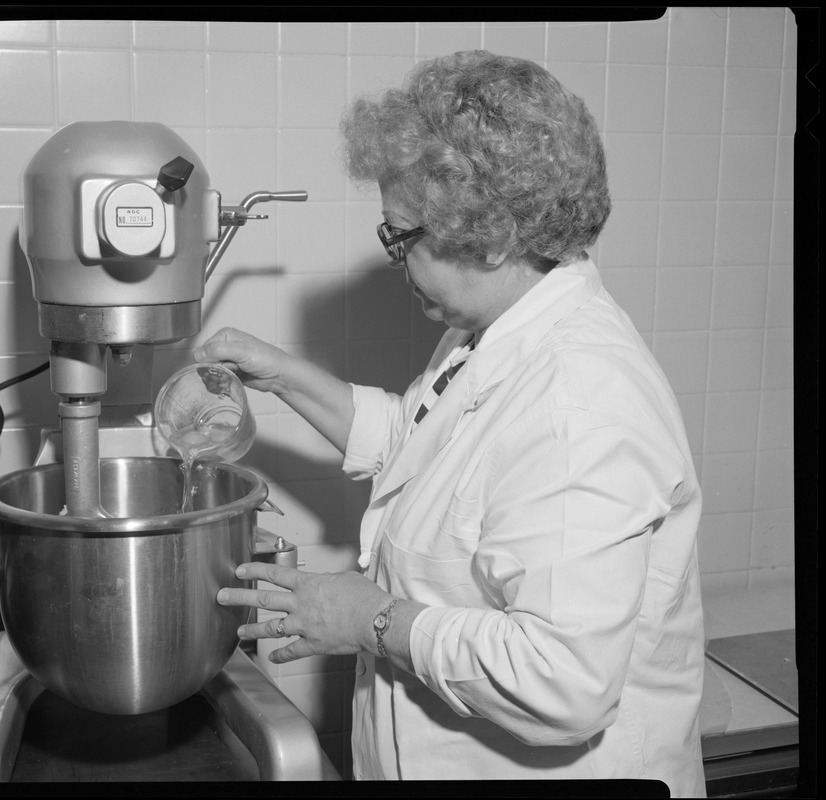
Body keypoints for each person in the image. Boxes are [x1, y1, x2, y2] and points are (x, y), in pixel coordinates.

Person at [202, 51, 706, 794]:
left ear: (494, 235)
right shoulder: (493, 333)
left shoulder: (578, 403)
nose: (395, 260)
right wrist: (277, 373)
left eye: (401, 236)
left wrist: (374, 620)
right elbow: (417, 443)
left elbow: (563, 683)